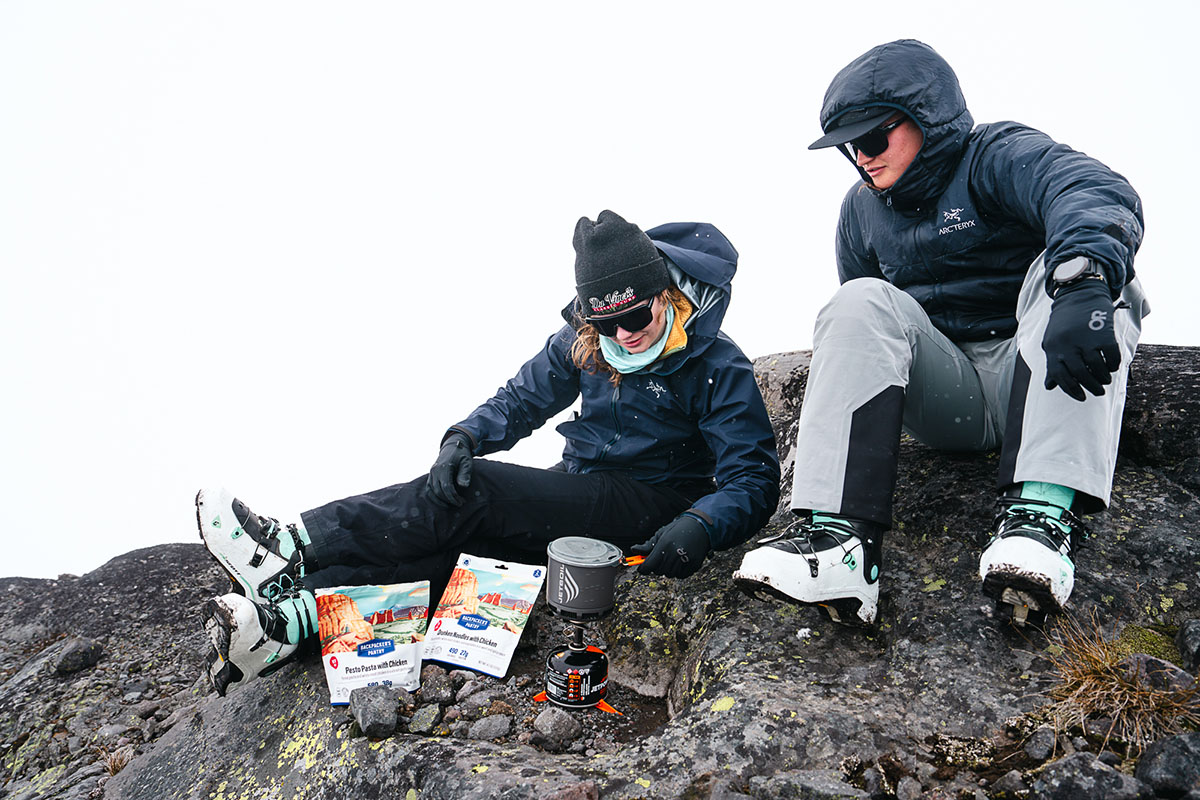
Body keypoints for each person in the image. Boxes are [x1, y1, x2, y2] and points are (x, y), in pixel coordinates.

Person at [199, 210, 780, 695]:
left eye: (635, 315)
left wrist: (702, 524)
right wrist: (466, 436)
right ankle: (289, 621)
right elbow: (523, 398)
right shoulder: (585, 342)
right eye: (607, 324)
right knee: (471, 555)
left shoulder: (715, 363)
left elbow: (752, 477)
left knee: (476, 490)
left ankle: (292, 546)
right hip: (585, 486)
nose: (624, 335)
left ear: (665, 293)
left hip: (658, 504)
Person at [734, 40, 1147, 627]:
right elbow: (870, 340)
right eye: (849, 145)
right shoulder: (860, 211)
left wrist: (1084, 281)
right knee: (858, 301)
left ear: (925, 118)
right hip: (950, 399)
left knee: (1094, 277)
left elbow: (1092, 190)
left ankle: (1041, 524)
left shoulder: (996, 154)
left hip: (1039, 372)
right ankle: (839, 546)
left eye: (874, 138)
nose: (861, 156)